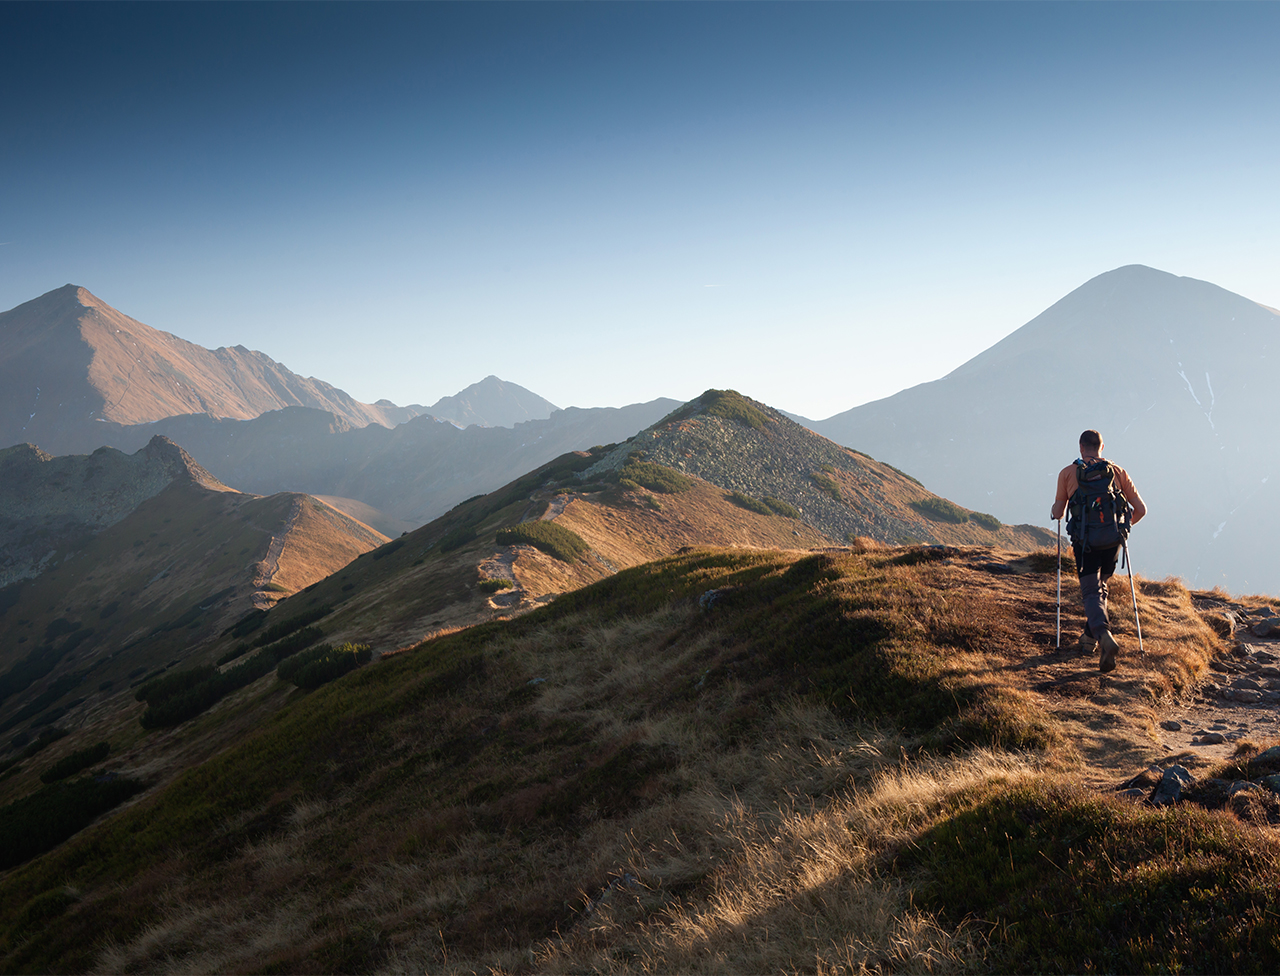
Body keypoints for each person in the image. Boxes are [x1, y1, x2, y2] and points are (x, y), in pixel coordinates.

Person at [1050, 429, 1147, 673]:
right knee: (1101, 588)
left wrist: (1054, 511)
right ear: (1102, 447)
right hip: (1112, 543)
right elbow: (1141, 509)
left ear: (1081, 447)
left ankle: (1103, 635)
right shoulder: (1117, 472)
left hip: (1086, 543)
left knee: (1091, 592)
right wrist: (1120, 529)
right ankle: (1089, 639)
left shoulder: (1068, 473)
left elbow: (1059, 512)